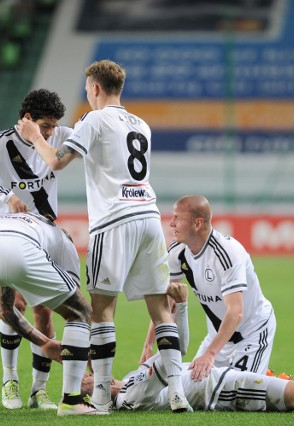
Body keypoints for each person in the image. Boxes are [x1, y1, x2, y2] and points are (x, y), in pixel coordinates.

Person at [17, 59, 191, 413]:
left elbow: (56, 162)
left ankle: (99, 396)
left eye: (87, 90)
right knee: (160, 309)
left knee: (101, 311)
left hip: (113, 221)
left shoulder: (95, 119)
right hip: (148, 216)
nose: (87, 95)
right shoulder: (141, 124)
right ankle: (177, 392)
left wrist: (36, 137)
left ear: (95, 88)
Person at [80, 282, 294, 416]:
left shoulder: (128, 382)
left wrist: (167, 312)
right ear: (90, 397)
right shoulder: (129, 394)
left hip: (218, 379)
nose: (92, 375)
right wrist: (182, 308)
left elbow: (161, 349)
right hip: (218, 389)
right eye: (86, 381)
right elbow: (175, 347)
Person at [0, 89, 71, 411]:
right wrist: (7, 194)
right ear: (27, 120)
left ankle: (39, 390)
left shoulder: (61, 135)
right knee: (14, 305)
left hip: (45, 231)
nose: (51, 132)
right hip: (8, 233)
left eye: (54, 125)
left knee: (45, 309)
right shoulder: (0, 144)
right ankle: (9, 379)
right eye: (44, 125)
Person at [0, 212, 106, 416]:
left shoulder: (17, 221)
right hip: (18, 248)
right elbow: (78, 309)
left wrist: (43, 342)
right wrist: (93, 367)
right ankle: (72, 400)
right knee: (80, 312)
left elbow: (7, 310)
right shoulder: (64, 241)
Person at [141, 195, 276, 381]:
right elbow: (164, 302)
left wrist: (210, 354)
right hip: (218, 335)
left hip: (252, 332)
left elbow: (235, 312)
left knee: (240, 396)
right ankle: (263, 375)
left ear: (197, 224)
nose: (171, 223)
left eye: (177, 218)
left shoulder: (227, 253)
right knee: (194, 387)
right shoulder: (177, 252)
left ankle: (274, 380)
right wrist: (148, 344)